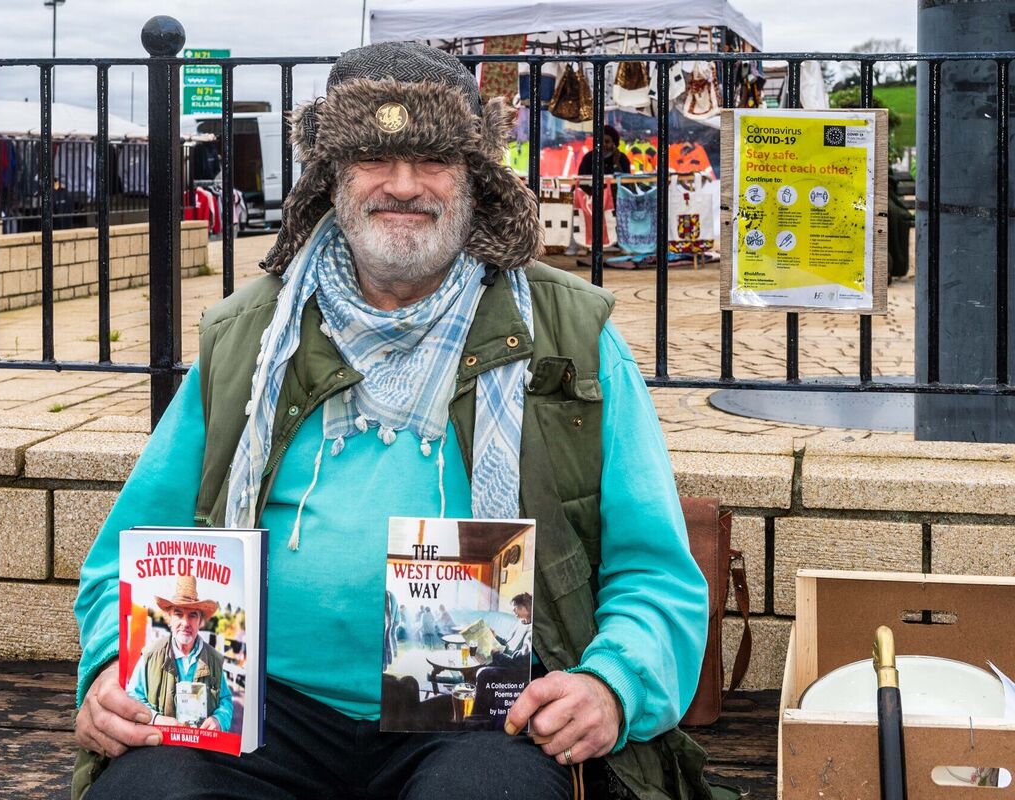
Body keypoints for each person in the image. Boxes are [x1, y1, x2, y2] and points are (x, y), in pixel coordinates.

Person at [72, 40, 710, 800]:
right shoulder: (250, 335)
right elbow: (126, 552)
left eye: (434, 159)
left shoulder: (570, 336)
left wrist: (611, 686)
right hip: (252, 709)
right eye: (374, 158)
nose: (403, 186)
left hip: (480, 716)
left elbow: (655, 573)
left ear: (475, 179)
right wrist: (114, 669)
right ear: (333, 179)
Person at [124, 575, 234, 732]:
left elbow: (226, 700)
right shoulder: (150, 655)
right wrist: (155, 719)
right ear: (169, 618)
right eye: (178, 614)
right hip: (160, 744)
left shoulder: (215, 660)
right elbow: (133, 697)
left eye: (192, 615)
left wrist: (218, 720)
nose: (185, 623)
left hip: (202, 746)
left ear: (200, 622)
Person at [490, 592, 533, 669]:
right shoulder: (519, 623)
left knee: (482, 672)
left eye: (516, 607)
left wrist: (496, 654)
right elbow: (507, 643)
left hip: (512, 666)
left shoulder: (531, 631)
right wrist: (495, 636)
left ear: (527, 607)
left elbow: (518, 660)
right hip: (504, 658)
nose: (514, 610)